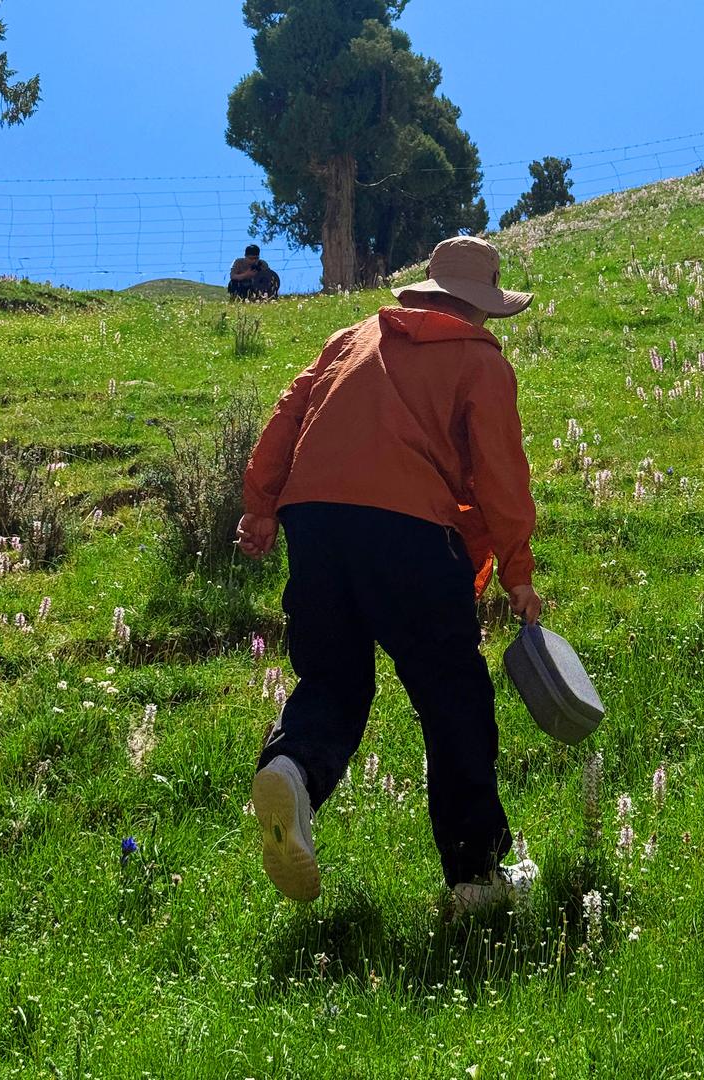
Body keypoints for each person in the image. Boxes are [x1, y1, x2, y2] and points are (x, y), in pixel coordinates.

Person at [238, 235, 542, 915]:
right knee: (452, 693)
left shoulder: (355, 335)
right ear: (483, 308)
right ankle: (476, 877)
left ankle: (292, 769)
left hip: (312, 522)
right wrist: (517, 572)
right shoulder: (479, 362)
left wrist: (261, 506)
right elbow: (500, 474)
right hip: (409, 527)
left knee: (333, 680)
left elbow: (290, 410)